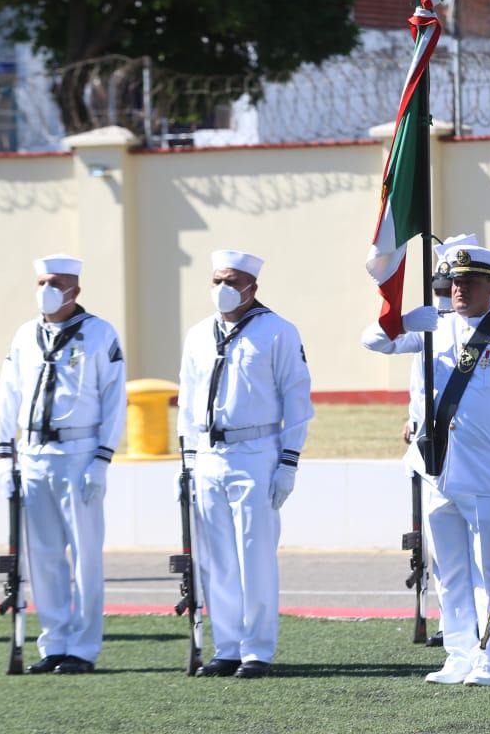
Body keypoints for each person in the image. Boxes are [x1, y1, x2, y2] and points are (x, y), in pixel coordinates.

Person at [379, 243, 490, 686]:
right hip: (439, 471)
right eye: (454, 282)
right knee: (450, 572)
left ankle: (488, 658)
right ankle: (457, 653)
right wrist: (400, 320)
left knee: (489, 572)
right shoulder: (433, 330)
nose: (459, 290)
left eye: (470, 282)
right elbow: (374, 339)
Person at [176, 250, 314, 679]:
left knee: (254, 555)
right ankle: (227, 646)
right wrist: (188, 461)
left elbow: (298, 400)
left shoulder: (277, 331)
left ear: (253, 287)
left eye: (232, 281)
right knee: (217, 558)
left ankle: (257, 649)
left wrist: (288, 462)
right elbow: (186, 400)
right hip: (209, 455)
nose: (223, 289)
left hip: (257, 452)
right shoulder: (199, 334)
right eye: (217, 279)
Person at [0, 254, 125, 675]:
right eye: (41, 281)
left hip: (79, 455)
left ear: (75, 290)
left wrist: (102, 458)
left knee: (85, 557)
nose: (46, 289)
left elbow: (114, 400)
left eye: (55, 282)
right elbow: (7, 394)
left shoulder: (100, 334)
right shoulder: (24, 335)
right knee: (44, 557)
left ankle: (83, 649)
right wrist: (2, 453)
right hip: (33, 456)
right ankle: (53, 643)